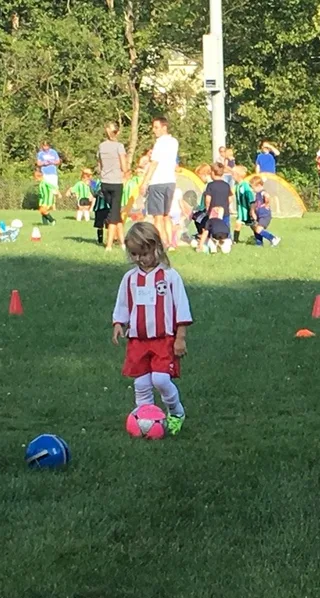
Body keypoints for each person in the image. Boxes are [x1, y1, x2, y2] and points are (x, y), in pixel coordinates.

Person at [112, 222, 191, 434]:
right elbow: (123, 303)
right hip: (138, 339)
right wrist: (119, 323)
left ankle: (176, 412)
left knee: (160, 379)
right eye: (134, 254)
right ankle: (145, 419)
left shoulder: (169, 276)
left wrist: (180, 337)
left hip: (163, 338)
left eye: (144, 253)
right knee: (141, 382)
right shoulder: (130, 278)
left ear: (156, 247)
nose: (139, 259)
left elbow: (181, 307)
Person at [139, 116, 180, 249]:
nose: (154, 130)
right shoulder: (174, 142)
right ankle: (171, 243)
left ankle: (161, 243)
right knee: (166, 215)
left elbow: (154, 163)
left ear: (164, 127)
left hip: (158, 181)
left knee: (157, 217)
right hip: (170, 181)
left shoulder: (159, 143)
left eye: (156, 127)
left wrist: (145, 182)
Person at [97, 121, 128, 250]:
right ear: (118, 132)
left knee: (116, 212)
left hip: (105, 182)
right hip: (116, 182)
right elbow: (124, 166)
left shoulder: (101, 146)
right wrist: (125, 173)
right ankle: (109, 245)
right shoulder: (119, 146)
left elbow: (100, 166)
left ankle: (122, 243)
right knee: (114, 215)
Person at [249, 176, 280, 247]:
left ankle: (273, 238)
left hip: (265, 215)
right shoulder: (257, 194)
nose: (252, 189)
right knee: (255, 227)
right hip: (259, 215)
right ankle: (259, 244)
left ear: (259, 186)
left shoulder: (262, 192)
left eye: (253, 188)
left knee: (259, 229)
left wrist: (266, 203)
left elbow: (267, 196)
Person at [202, 162, 233, 233]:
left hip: (214, 210)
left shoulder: (210, 185)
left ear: (212, 173)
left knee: (213, 226)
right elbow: (230, 198)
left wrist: (207, 208)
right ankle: (228, 239)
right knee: (226, 225)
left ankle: (213, 239)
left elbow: (208, 199)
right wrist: (226, 205)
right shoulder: (227, 185)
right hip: (225, 211)